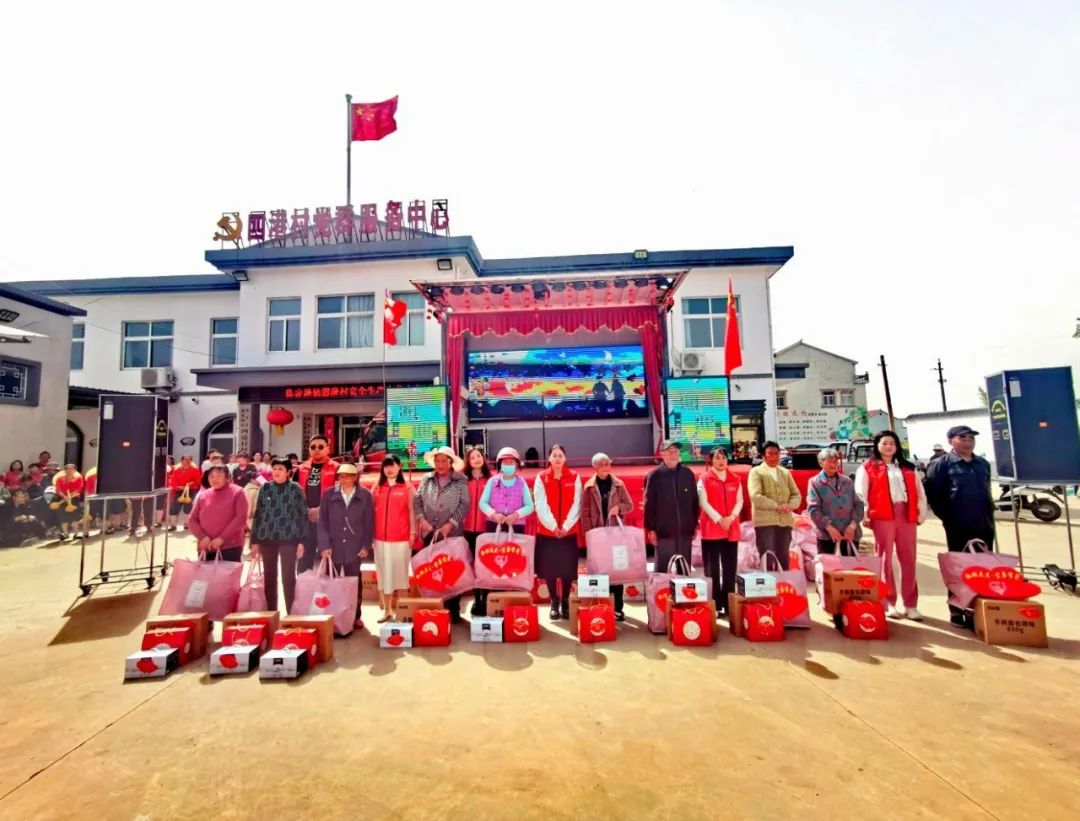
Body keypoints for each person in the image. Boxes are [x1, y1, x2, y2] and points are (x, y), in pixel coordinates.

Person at [924, 425, 996, 627]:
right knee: (958, 567)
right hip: (958, 524)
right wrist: (949, 518)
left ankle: (978, 608)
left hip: (984, 522)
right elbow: (933, 495)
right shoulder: (941, 464)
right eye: (962, 438)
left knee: (982, 567)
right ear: (951, 441)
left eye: (971, 438)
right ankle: (957, 609)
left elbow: (987, 489)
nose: (968, 442)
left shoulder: (982, 464)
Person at [855, 431, 927, 620]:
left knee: (909, 558)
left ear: (897, 446)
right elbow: (861, 492)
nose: (888, 447)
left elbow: (920, 491)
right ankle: (888, 602)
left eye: (892, 443)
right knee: (884, 558)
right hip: (882, 514)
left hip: (906, 514)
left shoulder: (908, 467)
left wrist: (920, 512)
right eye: (884, 443)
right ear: (877, 445)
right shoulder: (868, 467)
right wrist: (865, 514)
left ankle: (911, 604)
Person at [414, 446, 470, 624]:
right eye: (437, 461)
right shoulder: (426, 479)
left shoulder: (461, 480)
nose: (440, 464)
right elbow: (417, 500)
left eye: (444, 461)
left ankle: (453, 610)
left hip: (451, 533)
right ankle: (436, 608)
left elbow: (465, 505)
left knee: (452, 571)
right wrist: (421, 519)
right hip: (429, 532)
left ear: (450, 462)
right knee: (433, 571)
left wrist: (450, 524)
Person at [315, 462, 374, 631]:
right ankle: (330, 614)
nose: (344, 479)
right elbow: (322, 522)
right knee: (330, 582)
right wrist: (324, 545)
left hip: (354, 546)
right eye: (341, 475)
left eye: (348, 476)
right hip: (333, 546)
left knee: (354, 582)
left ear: (355, 477)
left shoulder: (365, 495)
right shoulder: (329, 495)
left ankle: (355, 616)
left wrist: (366, 545)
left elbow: (369, 522)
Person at [580, 452, 635, 620]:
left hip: (615, 535)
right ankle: (602, 606)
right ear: (594, 467)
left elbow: (630, 505)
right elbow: (584, 513)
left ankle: (618, 608)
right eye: (601, 464)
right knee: (600, 572)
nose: (605, 467)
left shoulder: (619, 484)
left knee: (616, 571)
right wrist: (589, 535)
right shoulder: (589, 487)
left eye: (607, 463)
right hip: (598, 536)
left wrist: (619, 508)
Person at [250, 458, 310, 613]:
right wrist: (254, 541)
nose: (276, 472)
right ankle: (272, 612)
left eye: (281, 469)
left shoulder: (295, 489)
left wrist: (302, 541)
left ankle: (291, 612)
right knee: (269, 577)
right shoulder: (265, 488)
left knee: (288, 577)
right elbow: (258, 514)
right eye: (275, 468)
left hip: (289, 538)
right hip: (267, 537)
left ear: (288, 472)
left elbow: (303, 516)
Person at [533, 444, 583, 621]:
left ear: (565, 458)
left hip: (568, 532)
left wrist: (566, 526)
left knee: (567, 569)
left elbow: (577, 504)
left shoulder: (574, 476)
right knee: (550, 569)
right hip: (548, 532)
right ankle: (554, 602)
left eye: (560, 455)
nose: (557, 459)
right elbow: (540, 504)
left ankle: (566, 602)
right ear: (549, 458)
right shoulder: (541, 477)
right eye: (554, 455)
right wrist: (553, 526)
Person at [697, 447, 744, 617]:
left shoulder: (735, 479)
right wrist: (719, 519)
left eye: (723, 457)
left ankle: (729, 604)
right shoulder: (703, 479)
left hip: (731, 527)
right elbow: (703, 502)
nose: (721, 461)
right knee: (712, 569)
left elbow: (740, 501)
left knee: (730, 568)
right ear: (711, 461)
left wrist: (731, 518)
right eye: (717, 458)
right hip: (711, 528)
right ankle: (715, 605)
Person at [372, 455, 417, 623]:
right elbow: (369, 510)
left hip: (401, 539)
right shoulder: (377, 487)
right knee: (384, 575)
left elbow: (412, 512)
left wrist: (413, 533)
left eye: (392, 465)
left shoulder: (407, 488)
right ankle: (387, 611)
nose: (389, 470)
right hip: (380, 539)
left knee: (401, 575)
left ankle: (402, 612)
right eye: (386, 466)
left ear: (400, 466)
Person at [644, 439, 700, 571]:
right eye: (670, 451)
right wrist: (651, 529)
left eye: (676, 451)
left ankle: (683, 585)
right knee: (664, 570)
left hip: (685, 532)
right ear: (662, 454)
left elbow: (694, 501)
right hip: (664, 533)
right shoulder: (654, 476)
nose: (674, 454)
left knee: (683, 569)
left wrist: (694, 525)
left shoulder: (688, 474)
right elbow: (649, 504)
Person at [747, 441, 801, 571]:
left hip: (785, 521)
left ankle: (784, 583)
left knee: (784, 558)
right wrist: (776, 506)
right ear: (763, 456)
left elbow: (796, 494)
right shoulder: (756, 472)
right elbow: (755, 496)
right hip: (765, 522)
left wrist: (790, 505)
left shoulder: (785, 472)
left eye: (777, 453)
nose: (774, 456)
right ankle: (768, 583)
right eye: (770, 454)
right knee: (767, 558)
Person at [806, 448, 863, 555]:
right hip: (826, 536)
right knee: (828, 565)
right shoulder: (815, 483)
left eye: (835, 461)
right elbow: (813, 510)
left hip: (849, 534)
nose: (833, 464)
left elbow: (859, 504)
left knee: (851, 564)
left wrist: (852, 526)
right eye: (829, 461)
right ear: (821, 463)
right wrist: (829, 528)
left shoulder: (847, 481)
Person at [187, 465, 249, 563]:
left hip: (230, 546)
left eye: (219, 476)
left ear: (227, 477)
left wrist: (222, 538)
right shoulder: (203, 495)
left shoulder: (237, 492)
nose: (214, 479)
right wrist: (202, 537)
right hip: (206, 545)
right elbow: (192, 519)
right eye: (211, 476)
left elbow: (241, 518)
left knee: (227, 573)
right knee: (205, 573)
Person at [297, 435, 340, 571]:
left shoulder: (337, 468)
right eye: (313, 447)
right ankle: (303, 584)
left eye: (320, 447)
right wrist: (306, 510)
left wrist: (320, 510)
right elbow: (294, 494)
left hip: (328, 520)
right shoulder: (301, 469)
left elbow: (339, 494)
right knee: (304, 559)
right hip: (305, 519)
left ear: (328, 449)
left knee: (330, 560)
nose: (316, 449)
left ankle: (329, 585)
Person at [461, 446, 492, 616]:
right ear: (468, 461)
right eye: (472, 457)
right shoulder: (463, 480)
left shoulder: (492, 480)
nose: (476, 460)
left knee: (485, 565)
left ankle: (485, 599)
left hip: (485, 529)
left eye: (478, 456)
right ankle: (476, 598)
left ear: (483, 458)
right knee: (472, 564)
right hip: (467, 529)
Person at [478, 447, 535, 535]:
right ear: (500, 464)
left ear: (516, 464)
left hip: (516, 525)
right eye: (505, 462)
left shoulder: (522, 483)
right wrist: (494, 515)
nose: (508, 465)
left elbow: (530, 506)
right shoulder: (492, 481)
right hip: (494, 524)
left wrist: (515, 515)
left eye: (511, 462)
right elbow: (482, 503)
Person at [51, 464, 86, 541]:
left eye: (71, 469)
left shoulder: (79, 478)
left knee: (75, 517)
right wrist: (64, 496)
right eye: (67, 469)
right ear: (64, 470)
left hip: (74, 498)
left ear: (75, 470)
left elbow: (79, 489)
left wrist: (70, 496)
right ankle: (65, 533)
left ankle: (76, 533)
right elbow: (58, 490)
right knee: (63, 517)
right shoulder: (59, 479)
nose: (69, 470)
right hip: (62, 498)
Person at [168, 454, 201, 531]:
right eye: (186, 459)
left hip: (191, 490)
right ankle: (173, 525)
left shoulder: (195, 469)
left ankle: (187, 524)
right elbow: (173, 482)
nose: (187, 461)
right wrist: (179, 487)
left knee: (188, 508)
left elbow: (198, 480)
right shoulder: (177, 470)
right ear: (181, 461)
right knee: (173, 508)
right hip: (179, 490)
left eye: (189, 459)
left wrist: (190, 484)